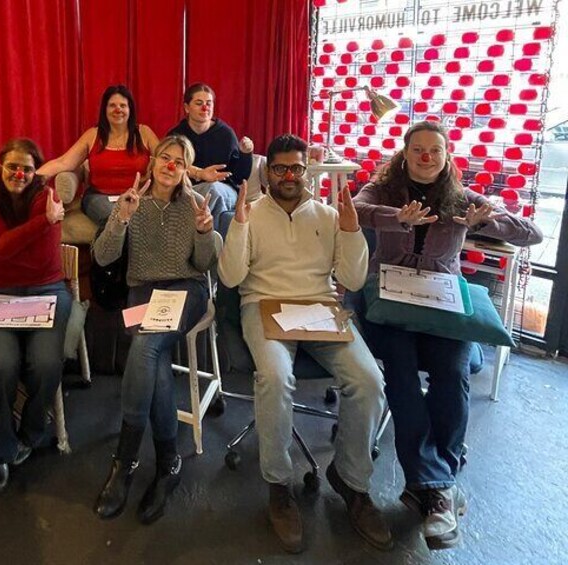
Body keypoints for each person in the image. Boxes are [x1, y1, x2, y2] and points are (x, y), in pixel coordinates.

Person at [352, 120, 543, 550]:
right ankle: (440, 490)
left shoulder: (463, 197)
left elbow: (532, 233)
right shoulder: (383, 190)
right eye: (417, 149)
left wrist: (488, 222)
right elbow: (354, 209)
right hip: (389, 302)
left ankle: (432, 485)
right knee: (400, 373)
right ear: (404, 154)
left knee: (453, 372)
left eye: (434, 150)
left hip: (443, 307)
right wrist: (396, 217)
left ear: (446, 156)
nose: (426, 157)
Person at [218, 134, 392, 554]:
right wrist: (238, 226)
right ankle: (279, 486)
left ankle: (351, 481)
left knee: (369, 380)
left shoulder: (328, 216)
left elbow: (351, 281)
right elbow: (230, 278)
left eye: (296, 168)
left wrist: (351, 232)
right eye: (280, 168)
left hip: (320, 308)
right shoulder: (251, 213)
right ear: (268, 173)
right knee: (276, 377)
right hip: (263, 304)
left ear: (306, 171)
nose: (289, 176)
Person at [92, 135, 221, 524]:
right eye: (165, 157)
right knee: (154, 354)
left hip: (187, 290)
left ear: (185, 171)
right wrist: (121, 218)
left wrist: (205, 232)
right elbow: (103, 256)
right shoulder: (133, 202)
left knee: (146, 348)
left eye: (179, 162)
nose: (170, 166)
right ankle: (168, 463)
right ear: (153, 161)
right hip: (143, 293)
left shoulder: (195, 204)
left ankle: (125, 459)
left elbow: (204, 264)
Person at [0, 138, 72, 495]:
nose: (19, 174)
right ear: (1, 166)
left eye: (27, 168)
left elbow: (40, 260)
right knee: (0, 366)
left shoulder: (48, 198)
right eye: (13, 166)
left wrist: (24, 236)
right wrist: (41, 224)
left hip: (47, 290)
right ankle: (0, 450)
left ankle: (29, 434)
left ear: (35, 171)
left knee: (46, 364)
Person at [36, 85, 160, 225]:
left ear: (130, 109)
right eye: (112, 105)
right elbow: (63, 162)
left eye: (123, 105)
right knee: (115, 219)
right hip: (98, 198)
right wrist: (34, 179)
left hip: (135, 197)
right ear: (104, 110)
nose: (118, 109)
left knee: (140, 220)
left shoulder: (144, 133)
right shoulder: (92, 135)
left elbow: (166, 159)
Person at [168, 83, 254, 235]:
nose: (205, 108)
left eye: (209, 103)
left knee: (213, 190)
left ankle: (204, 240)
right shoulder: (176, 135)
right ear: (187, 108)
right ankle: (211, 242)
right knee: (204, 195)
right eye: (199, 103)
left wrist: (246, 154)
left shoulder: (226, 134)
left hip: (224, 190)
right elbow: (170, 167)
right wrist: (200, 174)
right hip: (188, 190)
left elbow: (240, 177)